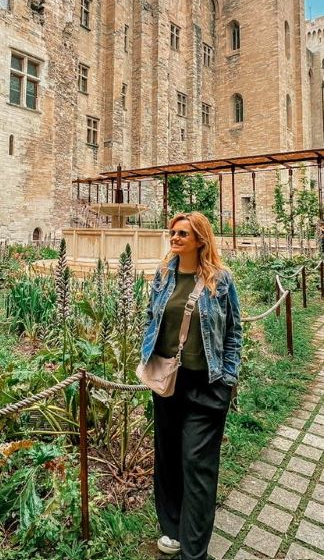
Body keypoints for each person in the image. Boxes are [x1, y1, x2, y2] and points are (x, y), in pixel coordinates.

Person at [140, 212, 242, 560]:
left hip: (207, 384)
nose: (175, 237)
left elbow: (233, 334)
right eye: (173, 232)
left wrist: (227, 380)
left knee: (197, 465)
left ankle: (194, 550)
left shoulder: (221, 280)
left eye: (183, 233)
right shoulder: (163, 275)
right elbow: (150, 318)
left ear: (200, 239)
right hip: (168, 383)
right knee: (168, 459)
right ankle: (172, 528)